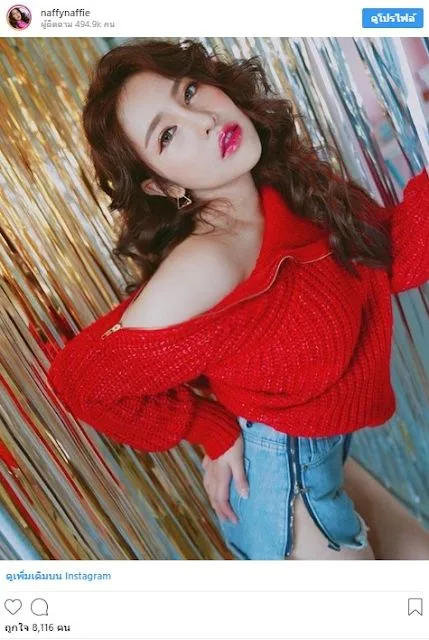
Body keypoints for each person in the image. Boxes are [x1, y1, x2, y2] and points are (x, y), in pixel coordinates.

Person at [47, 38, 429, 560]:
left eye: (189, 91)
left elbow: (392, 256)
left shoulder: (288, 194)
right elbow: (82, 382)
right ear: (161, 185)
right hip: (284, 498)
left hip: (323, 456)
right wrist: (210, 428)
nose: (204, 119)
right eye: (168, 134)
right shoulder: (208, 262)